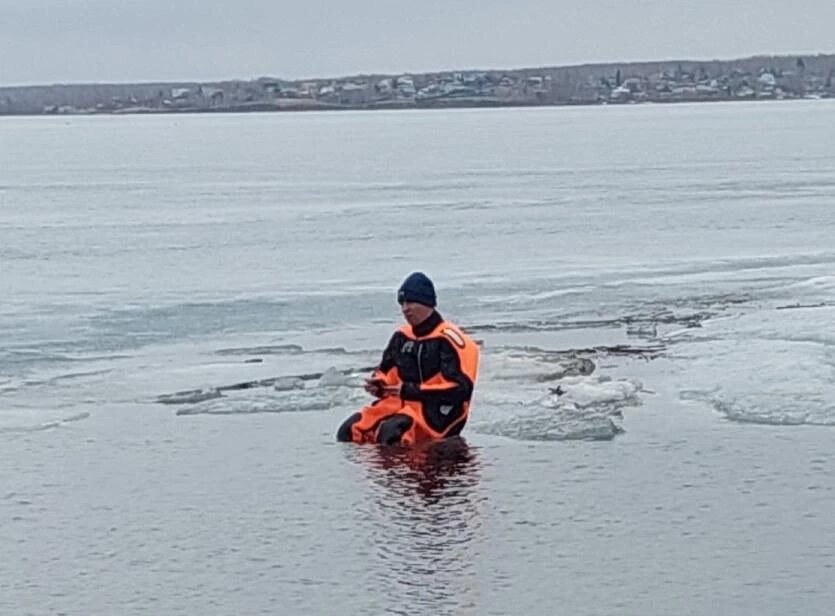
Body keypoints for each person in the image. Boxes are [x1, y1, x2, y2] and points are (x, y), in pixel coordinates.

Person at [337, 272, 480, 446]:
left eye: (410, 302)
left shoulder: (450, 339)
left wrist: (413, 392)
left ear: (427, 303)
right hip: (401, 403)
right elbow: (386, 372)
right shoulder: (401, 336)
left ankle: (405, 471)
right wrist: (379, 386)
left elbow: (461, 390)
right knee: (349, 430)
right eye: (402, 303)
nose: (405, 309)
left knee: (391, 433)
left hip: (439, 410)